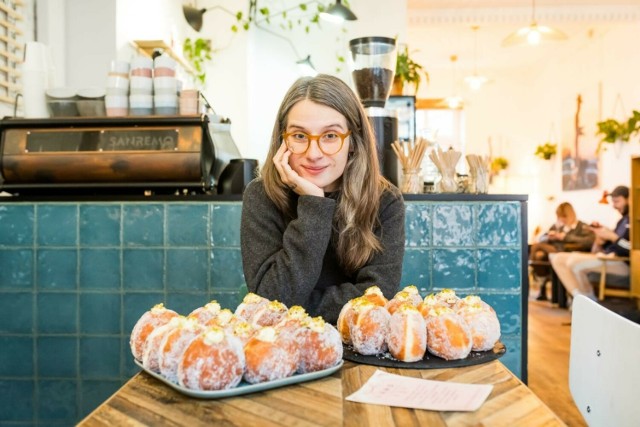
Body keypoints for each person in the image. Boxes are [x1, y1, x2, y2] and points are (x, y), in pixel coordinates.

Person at [240, 74, 406, 324]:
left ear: (353, 141)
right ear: (282, 140)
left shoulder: (385, 201)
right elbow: (270, 299)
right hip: (279, 350)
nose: (313, 153)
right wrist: (314, 206)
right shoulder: (262, 196)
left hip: (357, 350)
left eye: (330, 136)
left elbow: (377, 299)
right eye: (299, 136)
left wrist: (299, 304)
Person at [549, 186, 630, 300]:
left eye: (617, 201)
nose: (614, 206)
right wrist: (600, 237)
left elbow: (631, 248)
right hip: (607, 257)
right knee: (557, 258)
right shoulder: (622, 221)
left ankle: (589, 301)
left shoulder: (634, 221)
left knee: (574, 261)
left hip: (623, 263)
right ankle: (578, 297)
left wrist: (613, 237)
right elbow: (601, 249)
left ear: (629, 199)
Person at [530, 202, 594, 301]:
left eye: (563, 217)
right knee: (539, 254)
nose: (561, 219)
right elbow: (541, 238)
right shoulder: (557, 226)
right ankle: (541, 280)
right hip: (553, 252)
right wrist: (550, 237)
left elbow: (588, 242)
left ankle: (540, 279)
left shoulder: (582, 226)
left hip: (568, 251)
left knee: (537, 248)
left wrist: (564, 237)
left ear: (570, 215)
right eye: (559, 217)